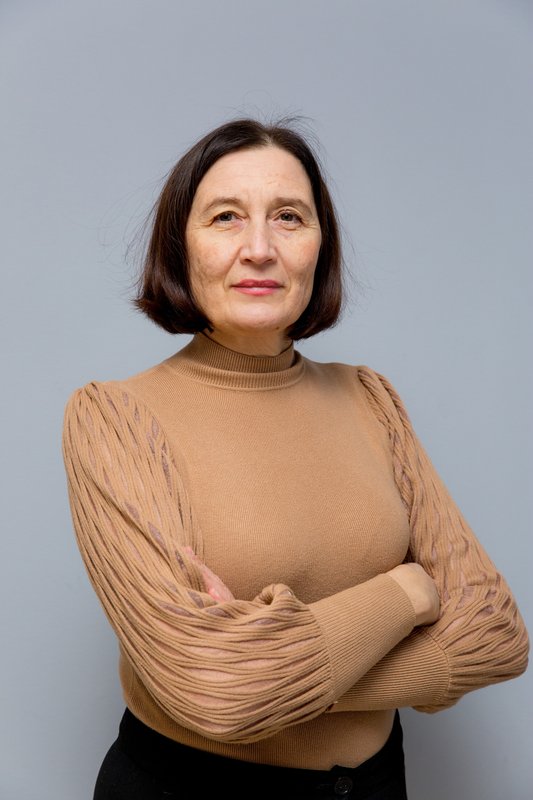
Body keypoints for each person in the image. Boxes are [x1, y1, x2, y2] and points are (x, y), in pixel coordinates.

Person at [62, 118, 529, 800]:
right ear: (180, 246)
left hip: (377, 785)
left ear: (320, 246)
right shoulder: (115, 416)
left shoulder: (369, 398)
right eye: (225, 217)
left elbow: (495, 633)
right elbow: (213, 693)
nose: (259, 249)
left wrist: (271, 667)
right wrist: (409, 593)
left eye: (288, 217)